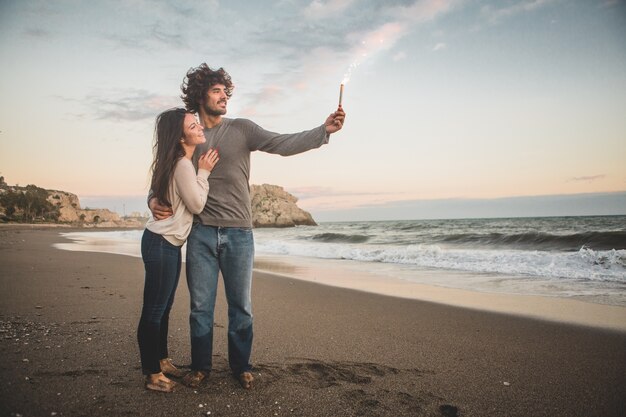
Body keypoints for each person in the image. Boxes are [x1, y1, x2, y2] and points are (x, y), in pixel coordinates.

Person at [149, 64, 345, 390]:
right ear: (200, 95)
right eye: (216, 91)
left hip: (239, 233)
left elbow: (282, 143)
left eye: (226, 91)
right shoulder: (190, 133)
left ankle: (241, 366)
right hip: (200, 233)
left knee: (242, 308)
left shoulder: (242, 129)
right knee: (200, 308)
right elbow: (164, 173)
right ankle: (200, 367)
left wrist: (322, 131)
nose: (224, 96)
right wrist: (153, 198)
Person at [138, 108, 219, 392]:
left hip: (164, 243)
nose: (199, 127)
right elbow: (197, 205)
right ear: (180, 135)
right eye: (192, 125)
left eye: (197, 123)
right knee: (154, 311)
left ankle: (160, 360)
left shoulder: (174, 161)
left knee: (163, 308)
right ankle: (151, 374)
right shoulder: (184, 165)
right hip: (162, 244)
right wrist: (204, 173)